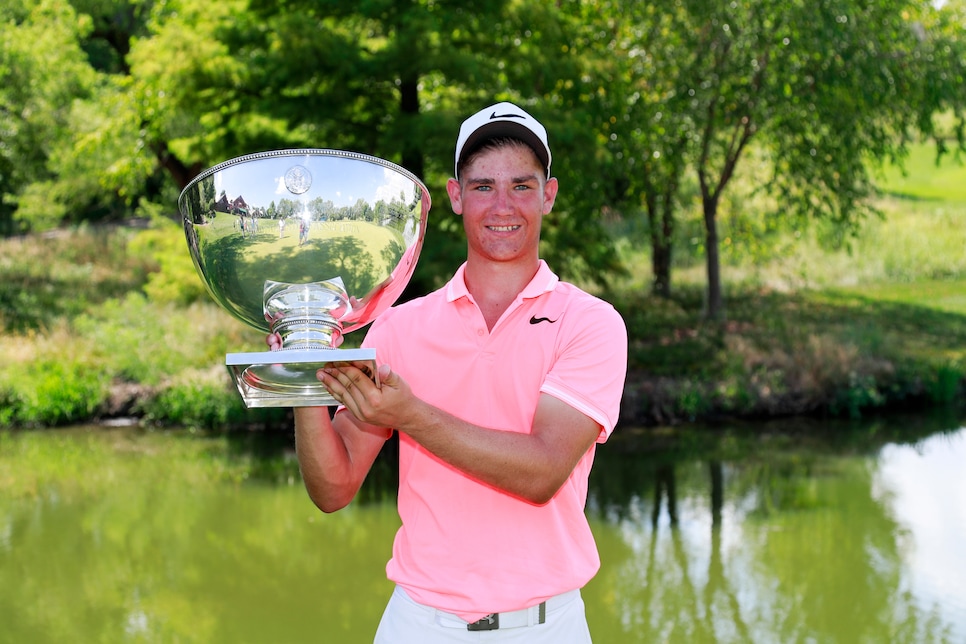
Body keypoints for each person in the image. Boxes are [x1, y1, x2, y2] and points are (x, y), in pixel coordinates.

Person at [292, 102, 627, 642]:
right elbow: (333, 489)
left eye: (522, 185)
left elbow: (541, 472)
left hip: (546, 627)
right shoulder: (398, 328)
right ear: (454, 196)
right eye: (482, 187)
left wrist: (414, 417)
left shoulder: (589, 324)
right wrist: (303, 366)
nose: (502, 206)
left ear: (549, 194)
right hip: (419, 624)